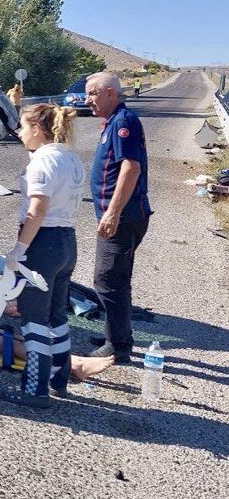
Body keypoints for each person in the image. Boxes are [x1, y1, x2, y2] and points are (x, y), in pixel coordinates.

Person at [0, 104, 90, 407]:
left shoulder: (43, 161)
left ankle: (33, 389)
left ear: (38, 129)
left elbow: (36, 210)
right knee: (56, 314)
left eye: (24, 128)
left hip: (43, 243)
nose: (20, 133)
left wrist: (19, 250)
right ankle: (58, 379)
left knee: (34, 318)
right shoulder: (71, 157)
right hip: (67, 240)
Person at [83, 71, 152, 363]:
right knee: (114, 278)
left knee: (108, 279)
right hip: (122, 216)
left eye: (93, 94)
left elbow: (130, 168)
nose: (88, 101)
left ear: (110, 92)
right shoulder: (114, 121)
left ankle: (118, 346)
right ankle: (116, 333)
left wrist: (112, 212)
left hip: (124, 219)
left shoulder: (123, 122)